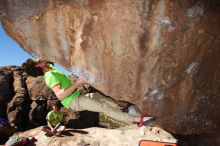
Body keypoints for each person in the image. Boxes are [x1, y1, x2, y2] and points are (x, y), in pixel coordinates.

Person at [24, 59, 155, 127]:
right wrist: (77, 83)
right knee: (103, 108)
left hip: (77, 95)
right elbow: (60, 95)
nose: (38, 58)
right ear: (38, 66)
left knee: (102, 98)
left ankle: (123, 111)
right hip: (73, 101)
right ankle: (138, 120)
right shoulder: (49, 76)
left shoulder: (50, 66)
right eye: (36, 60)